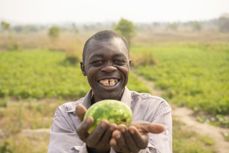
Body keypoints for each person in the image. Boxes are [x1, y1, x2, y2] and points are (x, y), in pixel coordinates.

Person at [48, 30, 172, 153]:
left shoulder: (154, 108)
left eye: (118, 61)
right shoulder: (67, 115)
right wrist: (92, 151)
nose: (109, 68)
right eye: (97, 62)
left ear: (129, 66)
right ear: (83, 68)